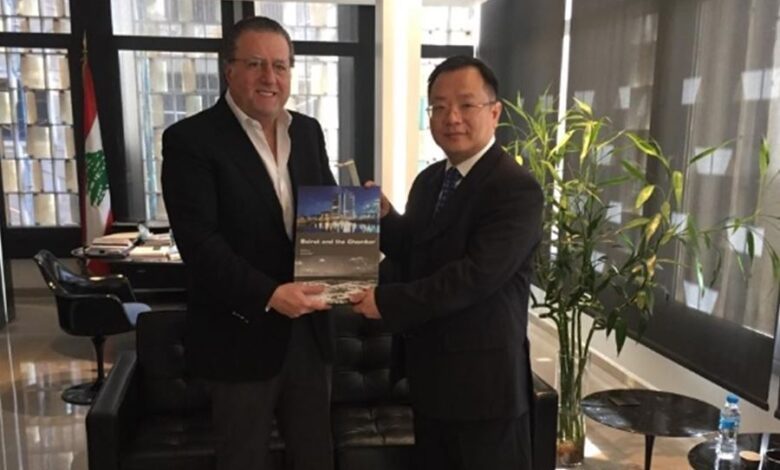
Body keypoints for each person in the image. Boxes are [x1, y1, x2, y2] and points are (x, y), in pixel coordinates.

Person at [351, 55, 543, 470]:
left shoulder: (515, 189)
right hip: (430, 379)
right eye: (438, 107)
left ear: (495, 112)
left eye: (465, 104)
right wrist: (384, 216)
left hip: (484, 388)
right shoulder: (431, 180)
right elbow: (414, 248)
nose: (451, 117)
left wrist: (386, 302)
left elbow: (473, 277)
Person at [161, 16, 335, 470]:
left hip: (309, 335)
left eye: (280, 65)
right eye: (256, 64)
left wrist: (353, 240)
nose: (269, 77)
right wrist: (270, 294)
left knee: (315, 456)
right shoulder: (190, 140)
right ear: (229, 69)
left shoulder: (308, 132)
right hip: (238, 335)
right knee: (243, 459)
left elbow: (325, 218)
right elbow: (200, 244)